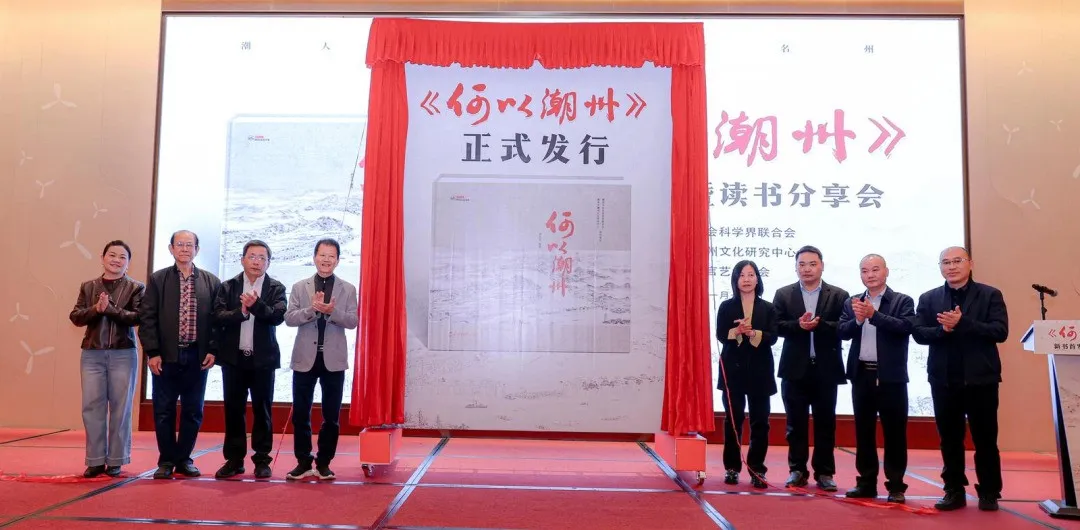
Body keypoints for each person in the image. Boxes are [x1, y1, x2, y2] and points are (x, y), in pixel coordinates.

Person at [913, 246, 1008, 511]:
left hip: (981, 379)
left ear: (970, 264)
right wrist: (943, 329)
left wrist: (962, 323)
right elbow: (918, 333)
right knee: (950, 439)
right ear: (940, 267)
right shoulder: (929, 297)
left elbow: (1000, 331)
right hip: (944, 380)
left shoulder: (990, 294)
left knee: (985, 439)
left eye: (957, 261)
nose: (952, 266)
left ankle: (989, 491)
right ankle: (953, 490)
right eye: (946, 262)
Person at [139, 230, 220, 479]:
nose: (185, 249)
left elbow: (217, 321)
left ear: (197, 249)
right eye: (180, 244)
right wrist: (153, 352)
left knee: (193, 411)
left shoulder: (211, 281)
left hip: (197, 356)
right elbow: (147, 318)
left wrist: (213, 349)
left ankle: (184, 459)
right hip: (166, 356)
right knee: (163, 410)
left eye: (189, 245)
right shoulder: (158, 279)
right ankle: (166, 460)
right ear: (171, 248)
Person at [838, 254, 915, 503]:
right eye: (864, 270)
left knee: (895, 433)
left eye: (875, 269)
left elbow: (905, 327)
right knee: (864, 432)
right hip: (862, 374)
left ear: (886, 272)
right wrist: (858, 320)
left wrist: (874, 315)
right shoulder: (853, 301)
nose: (869, 275)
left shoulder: (902, 300)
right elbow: (842, 331)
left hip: (891, 377)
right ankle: (866, 482)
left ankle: (896, 486)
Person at [773, 245, 849, 491]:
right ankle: (797, 470)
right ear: (796, 267)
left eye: (812, 264)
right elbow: (776, 327)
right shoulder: (783, 294)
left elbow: (845, 327)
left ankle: (825, 473)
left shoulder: (838, 295)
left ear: (822, 266)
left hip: (826, 369)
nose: (807, 269)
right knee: (795, 424)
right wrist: (798, 325)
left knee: (826, 423)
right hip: (794, 369)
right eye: (802, 264)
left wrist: (820, 325)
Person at [69, 240, 145, 478]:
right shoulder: (88, 286)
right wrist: (96, 309)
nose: (116, 260)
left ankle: (116, 460)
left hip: (123, 353)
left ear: (128, 263)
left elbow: (138, 317)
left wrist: (110, 309)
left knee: (121, 408)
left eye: (122, 257)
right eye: (112, 255)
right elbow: (76, 316)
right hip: (92, 354)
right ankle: (94, 460)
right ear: (102, 258)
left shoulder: (136, 287)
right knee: (92, 406)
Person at [284, 239, 358, 481]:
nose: (326, 260)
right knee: (300, 414)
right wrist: (312, 310)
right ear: (314, 257)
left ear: (338, 260)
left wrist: (331, 312)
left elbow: (352, 321)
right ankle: (303, 462)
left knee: (331, 416)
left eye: (331, 256)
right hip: (305, 358)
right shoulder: (299, 287)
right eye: (322, 255)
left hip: (333, 360)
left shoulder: (348, 289)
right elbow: (289, 318)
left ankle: (324, 463)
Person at [213, 240, 288, 479]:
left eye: (262, 258)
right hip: (233, 360)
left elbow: (277, 317)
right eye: (252, 256)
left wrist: (255, 306)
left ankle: (262, 459)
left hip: (263, 360)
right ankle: (234, 460)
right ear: (242, 260)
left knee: (262, 411)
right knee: (233, 411)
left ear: (269, 262)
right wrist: (241, 312)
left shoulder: (276, 287)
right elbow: (218, 316)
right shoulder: (228, 286)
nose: (257, 262)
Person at [716, 260, 778, 489]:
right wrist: (737, 331)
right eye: (742, 275)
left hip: (760, 370)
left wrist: (753, 333)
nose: (747, 279)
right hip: (733, 370)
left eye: (751, 275)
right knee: (733, 420)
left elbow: (773, 337)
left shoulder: (768, 307)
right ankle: (732, 468)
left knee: (760, 421)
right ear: (735, 279)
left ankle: (757, 469)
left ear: (758, 279)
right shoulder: (726, 306)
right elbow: (721, 335)